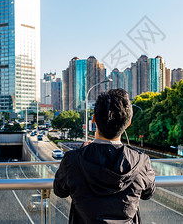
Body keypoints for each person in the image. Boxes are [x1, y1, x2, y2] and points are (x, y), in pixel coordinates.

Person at [54, 89, 155, 223]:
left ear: (94, 119)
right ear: (128, 122)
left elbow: (60, 191)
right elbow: (148, 193)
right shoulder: (141, 161)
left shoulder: (72, 160)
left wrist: (83, 152)